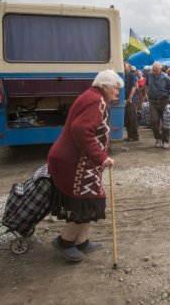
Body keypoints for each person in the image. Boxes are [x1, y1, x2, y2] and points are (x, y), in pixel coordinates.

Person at [47, 70, 121, 262]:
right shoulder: (97, 101)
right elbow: (81, 129)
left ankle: (81, 241)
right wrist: (101, 157)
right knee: (87, 202)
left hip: (76, 160)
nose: (117, 93)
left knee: (90, 199)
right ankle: (65, 241)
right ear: (104, 86)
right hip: (74, 162)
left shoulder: (92, 96)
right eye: (115, 88)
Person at [145, 61, 170, 149]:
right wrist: (146, 93)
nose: (154, 72)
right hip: (153, 101)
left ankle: (165, 141)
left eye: (156, 70)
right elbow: (146, 85)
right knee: (153, 121)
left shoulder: (165, 77)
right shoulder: (149, 75)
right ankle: (158, 138)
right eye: (153, 70)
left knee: (165, 122)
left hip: (164, 101)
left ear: (160, 69)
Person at [123, 63, 139, 142]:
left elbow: (134, 86)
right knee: (127, 117)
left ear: (129, 67)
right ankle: (129, 135)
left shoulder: (132, 75)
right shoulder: (124, 75)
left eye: (124, 65)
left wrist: (130, 97)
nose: (123, 66)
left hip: (130, 99)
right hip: (125, 99)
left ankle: (134, 136)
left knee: (131, 117)